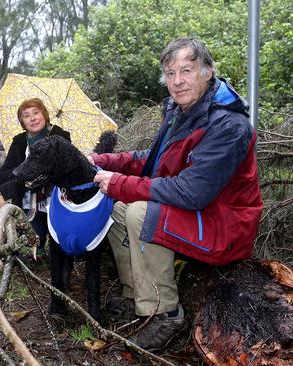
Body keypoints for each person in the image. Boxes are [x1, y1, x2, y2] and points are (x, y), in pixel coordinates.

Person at [90, 37, 263, 352]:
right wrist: (102, 162)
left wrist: (119, 182)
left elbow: (192, 192)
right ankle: (137, 297)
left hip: (224, 225)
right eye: (170, 73)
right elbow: (152, 159)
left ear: (208, 72)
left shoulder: (227, 124)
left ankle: (166, 313)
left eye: (187, 70)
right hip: (200, 213)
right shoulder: (182, 110)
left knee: (140, 212)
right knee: (115, 210)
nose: (178, 81)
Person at [0, 98, 71, 257]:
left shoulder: (60, 136)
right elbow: (3, 174)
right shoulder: (19, 141)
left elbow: (50, 174)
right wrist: (22, 170)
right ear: (22, 122)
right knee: (34, 241)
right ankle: (37, 239)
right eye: (26, 115)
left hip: (57, 196)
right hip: (28, 199)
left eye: (36, 112)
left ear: (44, 114)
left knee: (60, 247)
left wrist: (9, 185)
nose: (33, 118)